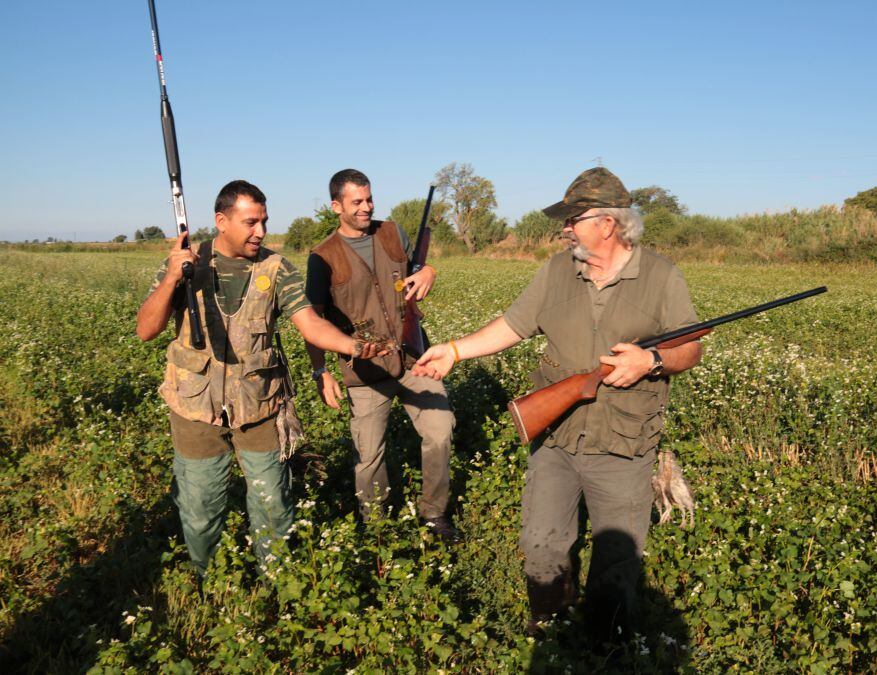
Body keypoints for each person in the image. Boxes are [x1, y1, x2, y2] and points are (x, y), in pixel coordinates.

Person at [412, 167, 702, 638]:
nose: (564, 228)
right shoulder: (556, 270)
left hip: (623, 443)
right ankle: (548, 628)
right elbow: (513, 325)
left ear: (607, 224)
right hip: (557, 437)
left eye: (574, 218)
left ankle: (608, 643)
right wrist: (455, 350)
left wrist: (650, 360)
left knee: (617, 558)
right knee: (542, 543)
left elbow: (690, 347)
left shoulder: (662, 276)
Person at [136, 179, 375, 574]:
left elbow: (311, 325)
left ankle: (276, 584)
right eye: (250, 222)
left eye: (263, 221)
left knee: (273, 505)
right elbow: (146, 330)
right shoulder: (185, 264)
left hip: (261, 404)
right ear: (221, 221)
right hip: (195, 407)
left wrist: (354, 347)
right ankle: (206, 581)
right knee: (201, 507)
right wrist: (172, 279)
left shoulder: (276, 268)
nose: (260, 232)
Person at [304, 169, 459, 542]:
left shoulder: (392, 233)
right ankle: (377, 528)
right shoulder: (322, 257)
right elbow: (312, 320)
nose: (366, 208)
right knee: (368, 456)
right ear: (336, 206)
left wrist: (430, 272)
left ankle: (434, 514)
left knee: (441, 431)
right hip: (365, 371)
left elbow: (418, 269)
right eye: (356, 202)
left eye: (369, 199)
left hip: (412, 358)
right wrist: (320, 371)